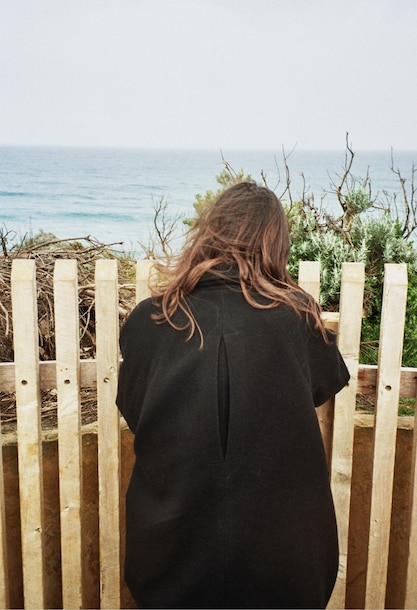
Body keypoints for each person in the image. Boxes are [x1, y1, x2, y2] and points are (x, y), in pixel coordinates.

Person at [116, 181, 350, 609]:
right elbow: (323, 383)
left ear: (209, 234)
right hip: (286, 557)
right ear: (274, 243)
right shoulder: (298, 317)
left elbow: (136, 413)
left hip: (168, 553)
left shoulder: (149, 321)